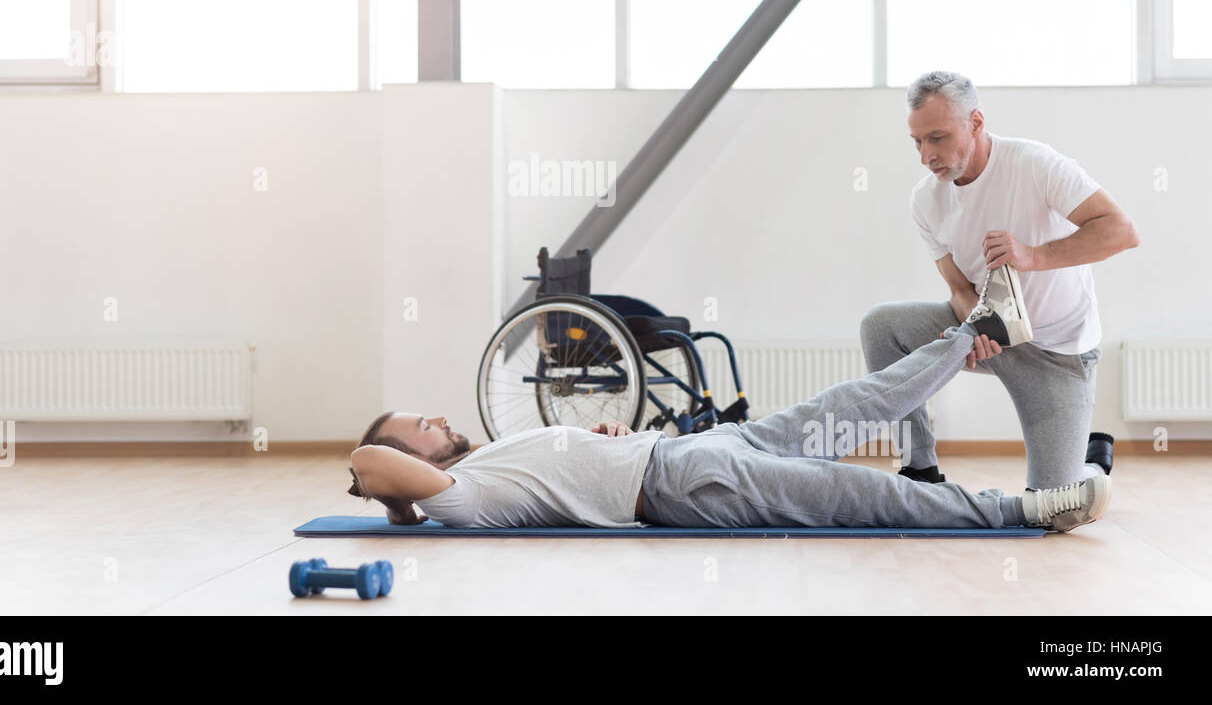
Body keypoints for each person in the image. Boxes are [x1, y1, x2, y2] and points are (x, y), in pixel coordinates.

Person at [347, 308, 1111, 534]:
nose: (438, 419)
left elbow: (566, 466)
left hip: (696, 447)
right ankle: (1026, 508)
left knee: (856, 401)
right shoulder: (465, 495)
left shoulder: (488, 458)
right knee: (855, 493)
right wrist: (384, 491)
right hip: (690, 482)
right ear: (403, 455)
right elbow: (369, 461)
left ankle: (975, 330)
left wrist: (601, 438)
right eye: (420, 423)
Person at [861, 71, 1139, 492]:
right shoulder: (925, 200)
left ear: (975, 123)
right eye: (917, 142)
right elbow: (958, 288)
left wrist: (1034, 255)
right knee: (881, 327)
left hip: (1059, 354)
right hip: (995, 338)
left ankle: (1092, 459)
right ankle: (919, 469)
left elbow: (1121, 230)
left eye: (937, 137)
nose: (926, 156)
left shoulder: (1035, 164)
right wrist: (976, 328)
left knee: (1054, 506)